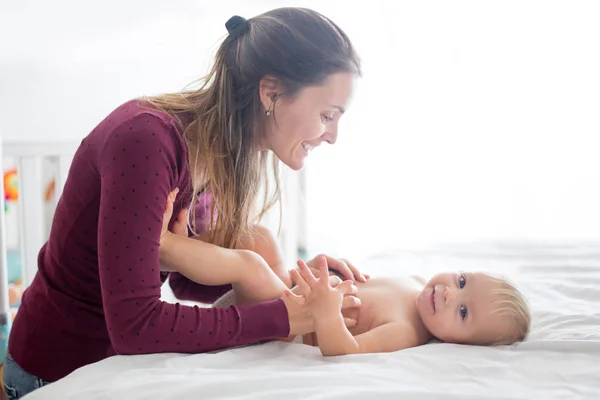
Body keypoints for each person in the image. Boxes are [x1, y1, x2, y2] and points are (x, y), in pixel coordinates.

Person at [2, 7, 364, 399]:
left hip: (114, 367)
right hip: (58, 370)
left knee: (256, 241)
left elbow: (188, 284)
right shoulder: (145, 143)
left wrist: (289, 284)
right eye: (327, 115)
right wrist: (280, 314)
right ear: (271, 93)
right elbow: (135, 326)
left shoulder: (218, 150)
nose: (333, 136)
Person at [290, 261, 531, 355]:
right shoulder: (415, 281)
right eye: (462, 282)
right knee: (263, 238)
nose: (450, 293)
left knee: (254, 268)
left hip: (295, 322)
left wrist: (327, 314)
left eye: (463, 311)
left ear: (459, 344)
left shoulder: (407, 330)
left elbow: (346, 351)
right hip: (298, 287)